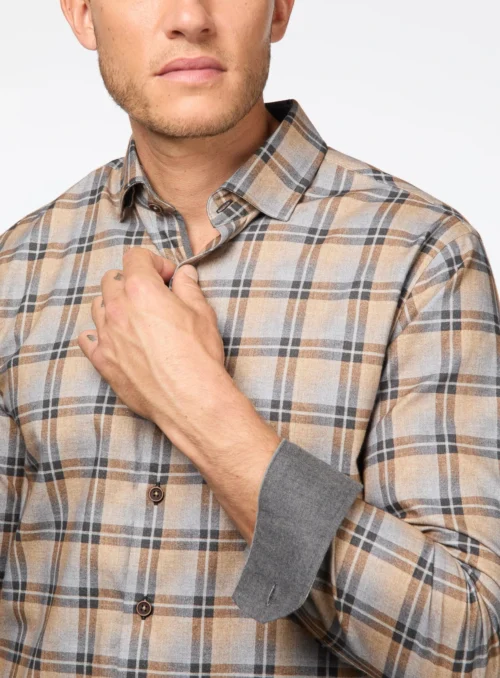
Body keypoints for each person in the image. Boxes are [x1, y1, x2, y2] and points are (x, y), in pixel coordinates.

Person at [0, 0, 498, 675]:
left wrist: (200, 407)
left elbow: (466, 646)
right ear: (84, 15)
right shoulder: (18, 265)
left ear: (280, 9)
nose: (189, 16)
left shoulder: (424, 257)